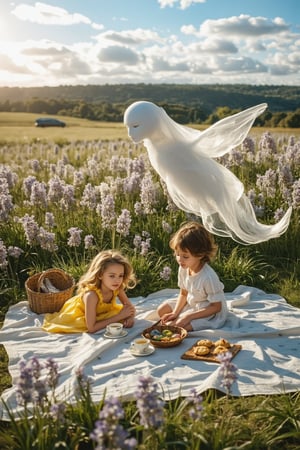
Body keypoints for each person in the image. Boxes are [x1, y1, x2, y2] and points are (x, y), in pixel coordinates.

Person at [124, 101, 292, 244]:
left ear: (153, 123)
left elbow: (207, 140)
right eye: (128, 127)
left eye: (136, 126)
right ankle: (201, 246)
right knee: (205, 219)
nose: (130, 134)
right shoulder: (152, 143)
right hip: (188, 187)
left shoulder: (176, 146)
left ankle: (206, 247)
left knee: (220, 215)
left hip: (201, 184)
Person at [42, 250, 136, 333]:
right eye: (112, 276)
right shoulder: (91, 295)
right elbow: (91, 328)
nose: (117, 280)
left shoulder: (117, 288)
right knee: (118, 316)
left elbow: (130, 309)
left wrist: (130, 318)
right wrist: (120, 316)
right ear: (100, 275)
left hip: (103, 315)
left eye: (121, 275)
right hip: (80, 316)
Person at [157, 221, 228, 331]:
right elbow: (184, 293)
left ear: (200, 255)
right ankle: (181, 318)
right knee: (162, 310)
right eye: (177, 254)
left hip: (208, 311)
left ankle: (185, 321)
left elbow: (216, 307)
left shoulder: (208, 277)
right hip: (192, 303)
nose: (180, 260)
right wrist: (175, 312)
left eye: (185, 256)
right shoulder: (183, 268)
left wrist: (188, 317)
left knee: (179, 326)